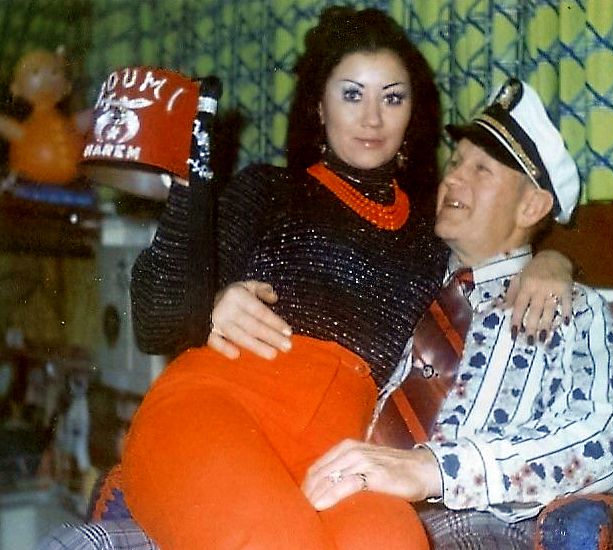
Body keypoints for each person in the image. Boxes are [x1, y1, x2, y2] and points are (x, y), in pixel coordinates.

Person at [57, 7, 571, 550]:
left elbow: (499, 259)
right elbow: (155, 323)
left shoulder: (432, 242)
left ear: (412, 115)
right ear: (319, 107)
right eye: (351, 94)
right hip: (213, 412)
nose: (372, 118)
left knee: (394, 540)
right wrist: (207, 277)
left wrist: (552, 262)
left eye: (392, 98)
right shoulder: (267, 190)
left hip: (337, 459)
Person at [296, 78, 613, 549]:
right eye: (455, 163)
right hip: (345, 493)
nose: (453, 178)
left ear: (532, 205)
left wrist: (436, 470)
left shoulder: (572, 308)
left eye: (481, 169)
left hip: (470, 520)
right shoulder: (406, 281)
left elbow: (605, 440)